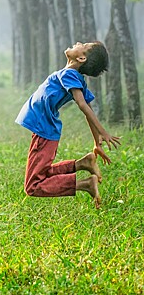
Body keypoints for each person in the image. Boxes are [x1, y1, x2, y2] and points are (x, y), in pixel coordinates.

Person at [15, 41, 121, 208]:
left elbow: (83, 105)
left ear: (81, 58)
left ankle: (85, 184)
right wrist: (96, 142)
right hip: (44, 129)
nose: (78, 42)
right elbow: (88, 107)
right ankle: (82, 164)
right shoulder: (73, 76)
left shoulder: (70, 74)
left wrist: (103, 132)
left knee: (33, 186)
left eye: (83, 45)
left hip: (44, 130)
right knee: (42, 173)